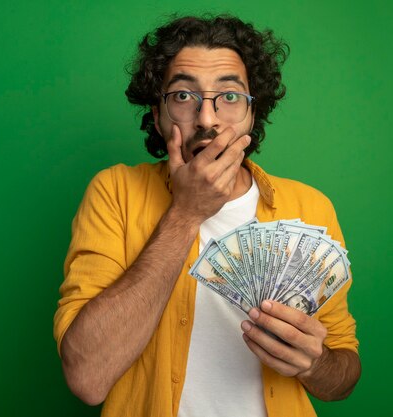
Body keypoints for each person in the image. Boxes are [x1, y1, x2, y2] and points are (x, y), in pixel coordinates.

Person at [53, 14, 361, 417]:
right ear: (158, 112)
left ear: (253, 112)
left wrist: (315, 364)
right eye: (183, 96)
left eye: (230, 97)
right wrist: (185, 213)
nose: (207, 118)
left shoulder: (310, 207)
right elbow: (88, 378)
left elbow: (343, 374)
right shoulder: (115, 192)